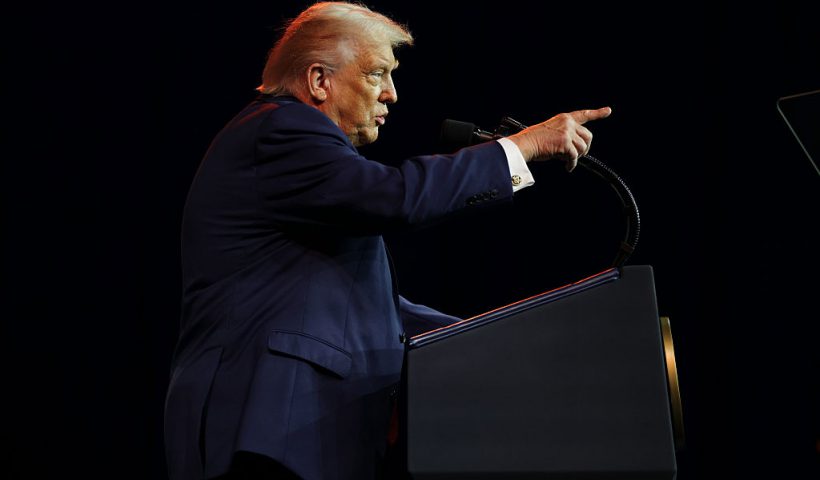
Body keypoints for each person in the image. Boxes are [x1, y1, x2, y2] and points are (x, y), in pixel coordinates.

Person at [163, 2, 612, 479]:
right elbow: (397, 197)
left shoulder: (298, 166)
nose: (392, 95)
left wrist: (504, 340)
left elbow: (372, 310)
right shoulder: (281, 129)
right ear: (319, 81)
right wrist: (522, 147)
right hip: (269, 423)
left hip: (296, 430)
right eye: (378, 73)